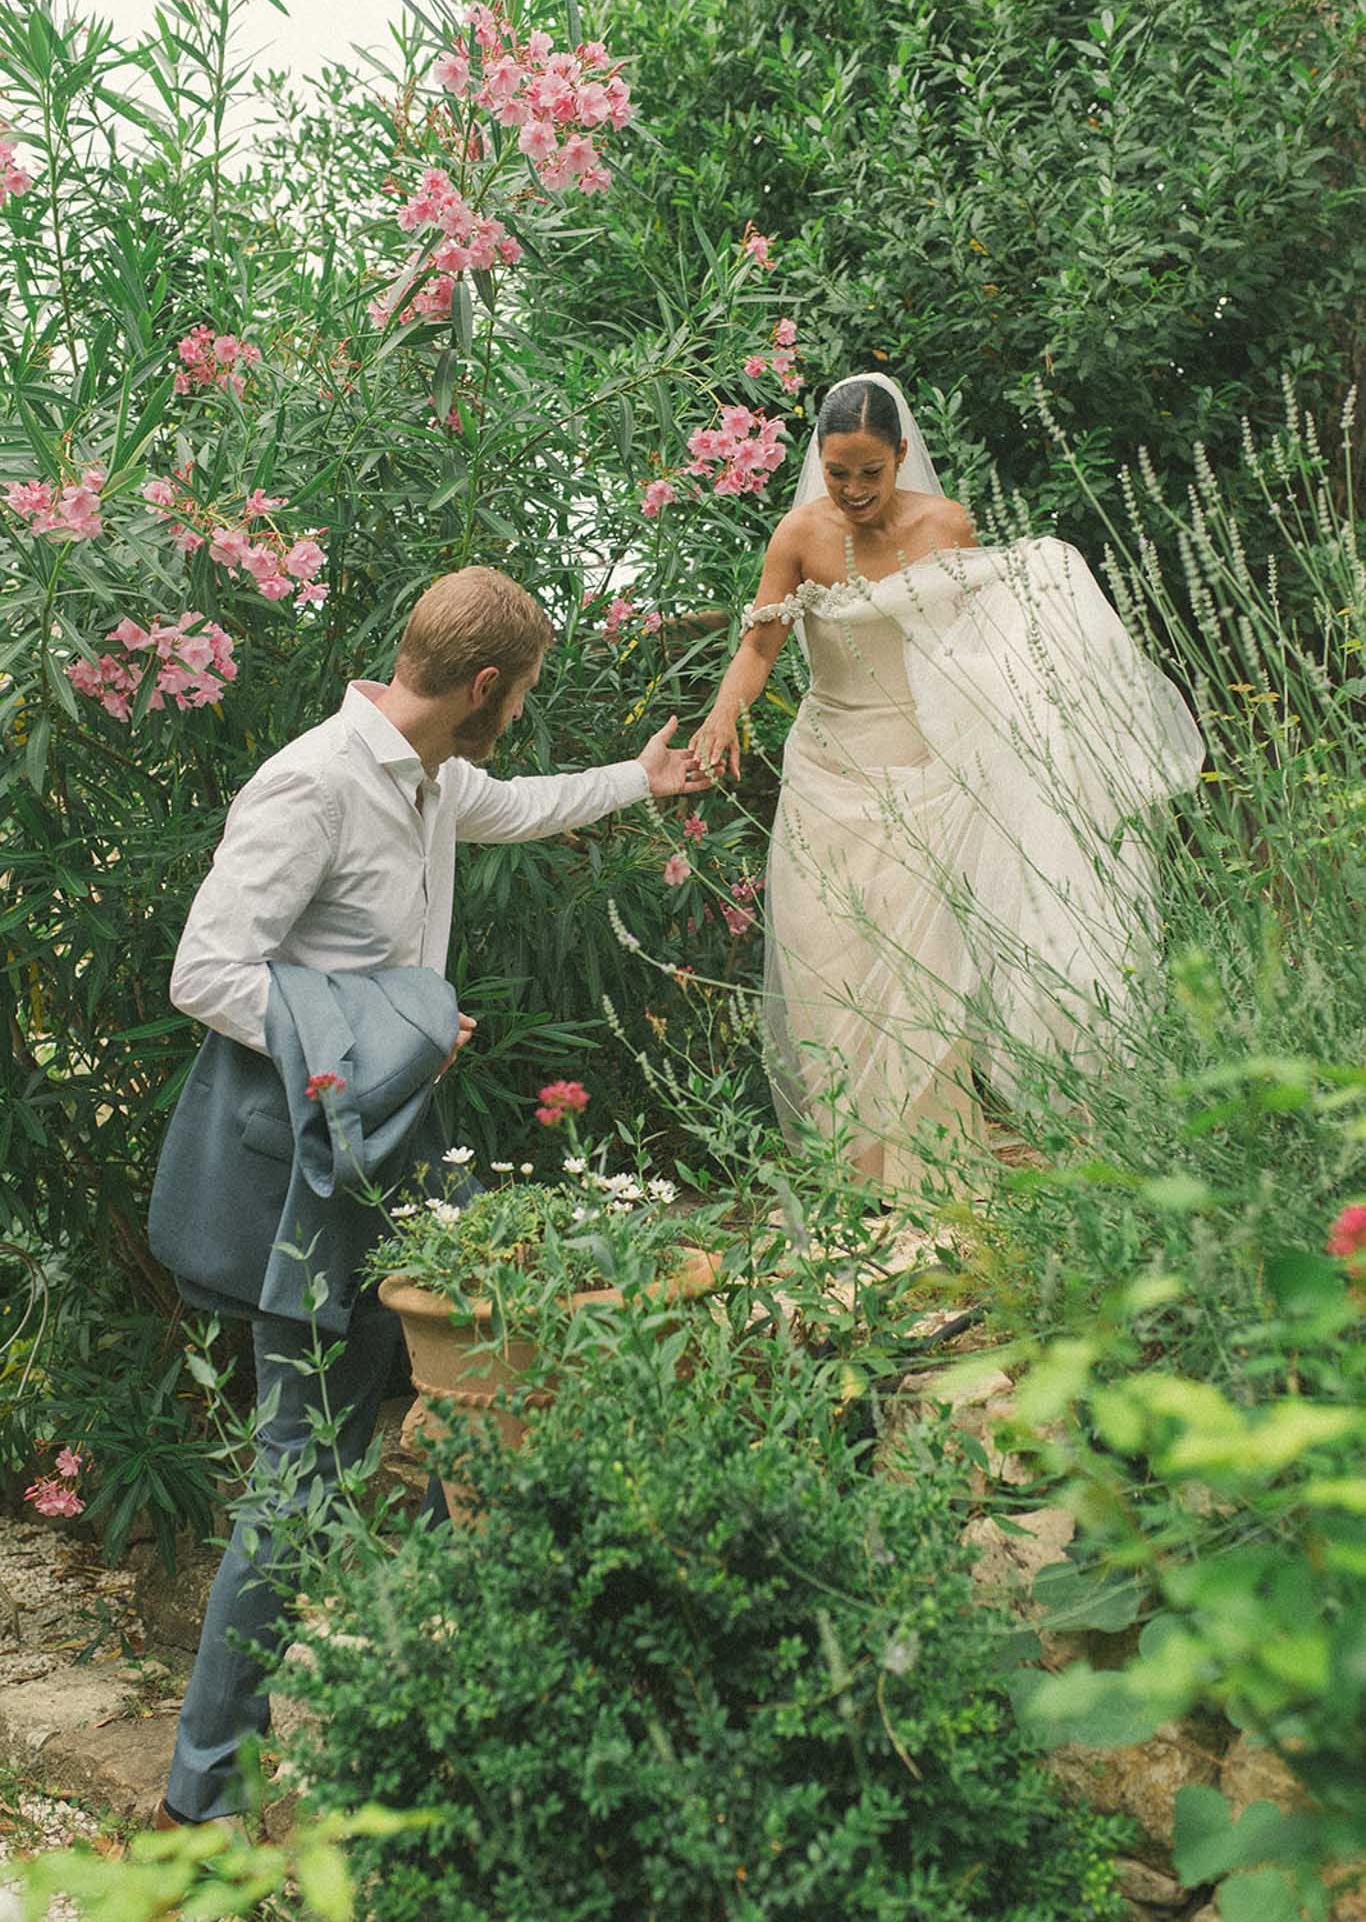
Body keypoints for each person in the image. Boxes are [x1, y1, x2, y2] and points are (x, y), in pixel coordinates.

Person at [153, 563, 702, 1829]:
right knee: (302, 1467)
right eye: (526, 693)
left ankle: (464, 1722)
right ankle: (203, 1789)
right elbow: (206, 972)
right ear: (486, 685)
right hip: (303, 1167)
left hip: (411, 1154)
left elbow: (507, 802)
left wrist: (640, 780)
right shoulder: (312, 781)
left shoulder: (437, 774)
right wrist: (389, 1027)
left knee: (462, 1410)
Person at [690, 373, 1204, 1198]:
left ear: (901, 457)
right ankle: (854, 1187)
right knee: (832, 967)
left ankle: (934, 1180)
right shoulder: (797, 535)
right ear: (818, 463)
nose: (853, 491)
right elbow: (758, 648)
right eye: (837, 471)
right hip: (828, 772)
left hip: (927, 776)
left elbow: (979, 649)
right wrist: (723, 717)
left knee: (920, 973)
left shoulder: (946, 526)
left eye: (870, 472)